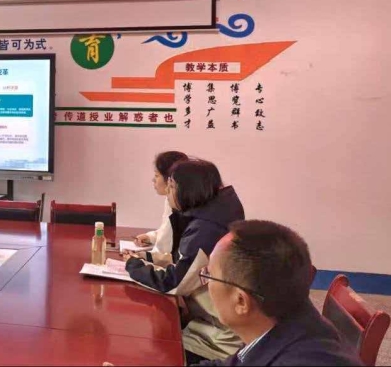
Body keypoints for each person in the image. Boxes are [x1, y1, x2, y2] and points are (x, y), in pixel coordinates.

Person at [196, 220, 362, 366]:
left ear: (241, 301)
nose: (207, 282)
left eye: (209, 275)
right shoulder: (287, 321)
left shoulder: (302, 358)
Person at [125, 159, 244, 293]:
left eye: (171, 186)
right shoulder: (212, 214)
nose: (167, 190)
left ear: (188, 190)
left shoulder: (205, 228)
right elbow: (185, 261)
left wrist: (135, 266)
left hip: (205, 302)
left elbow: (175, 283)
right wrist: (146, 257)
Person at [132, 150, 189, 266]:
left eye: (157, 175)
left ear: (170, 179)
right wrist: (150, 237)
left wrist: (143, 258)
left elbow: (166, 248)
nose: (153, 180)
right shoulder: (170, 199)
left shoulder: (180, 205)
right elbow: (166, 232)